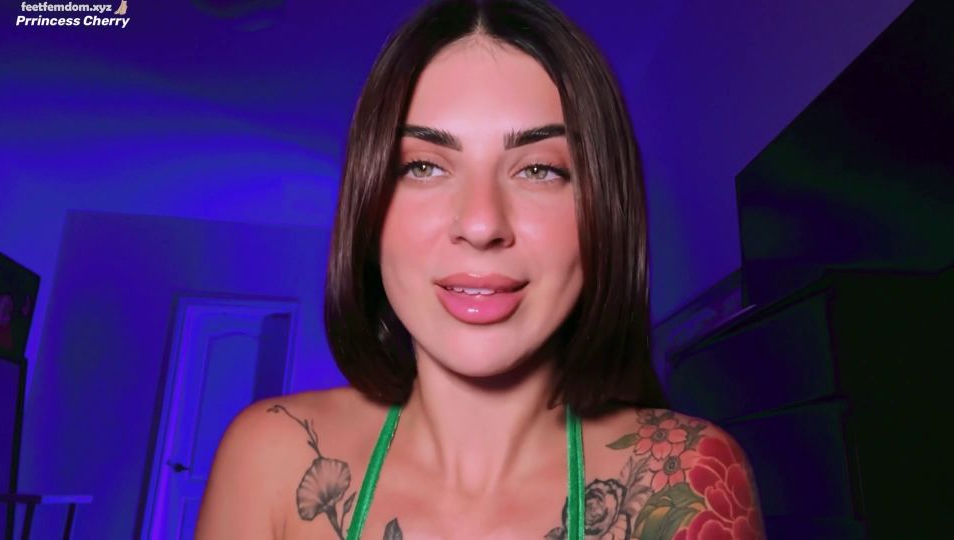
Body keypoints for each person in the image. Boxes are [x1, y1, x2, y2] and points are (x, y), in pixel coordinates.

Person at [197, 0, 766, 538]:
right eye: (423, 166)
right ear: (369, 210)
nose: (480, 223)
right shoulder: (271, 455)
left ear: (606, 213)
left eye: (539, 170)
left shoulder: (686, 476)